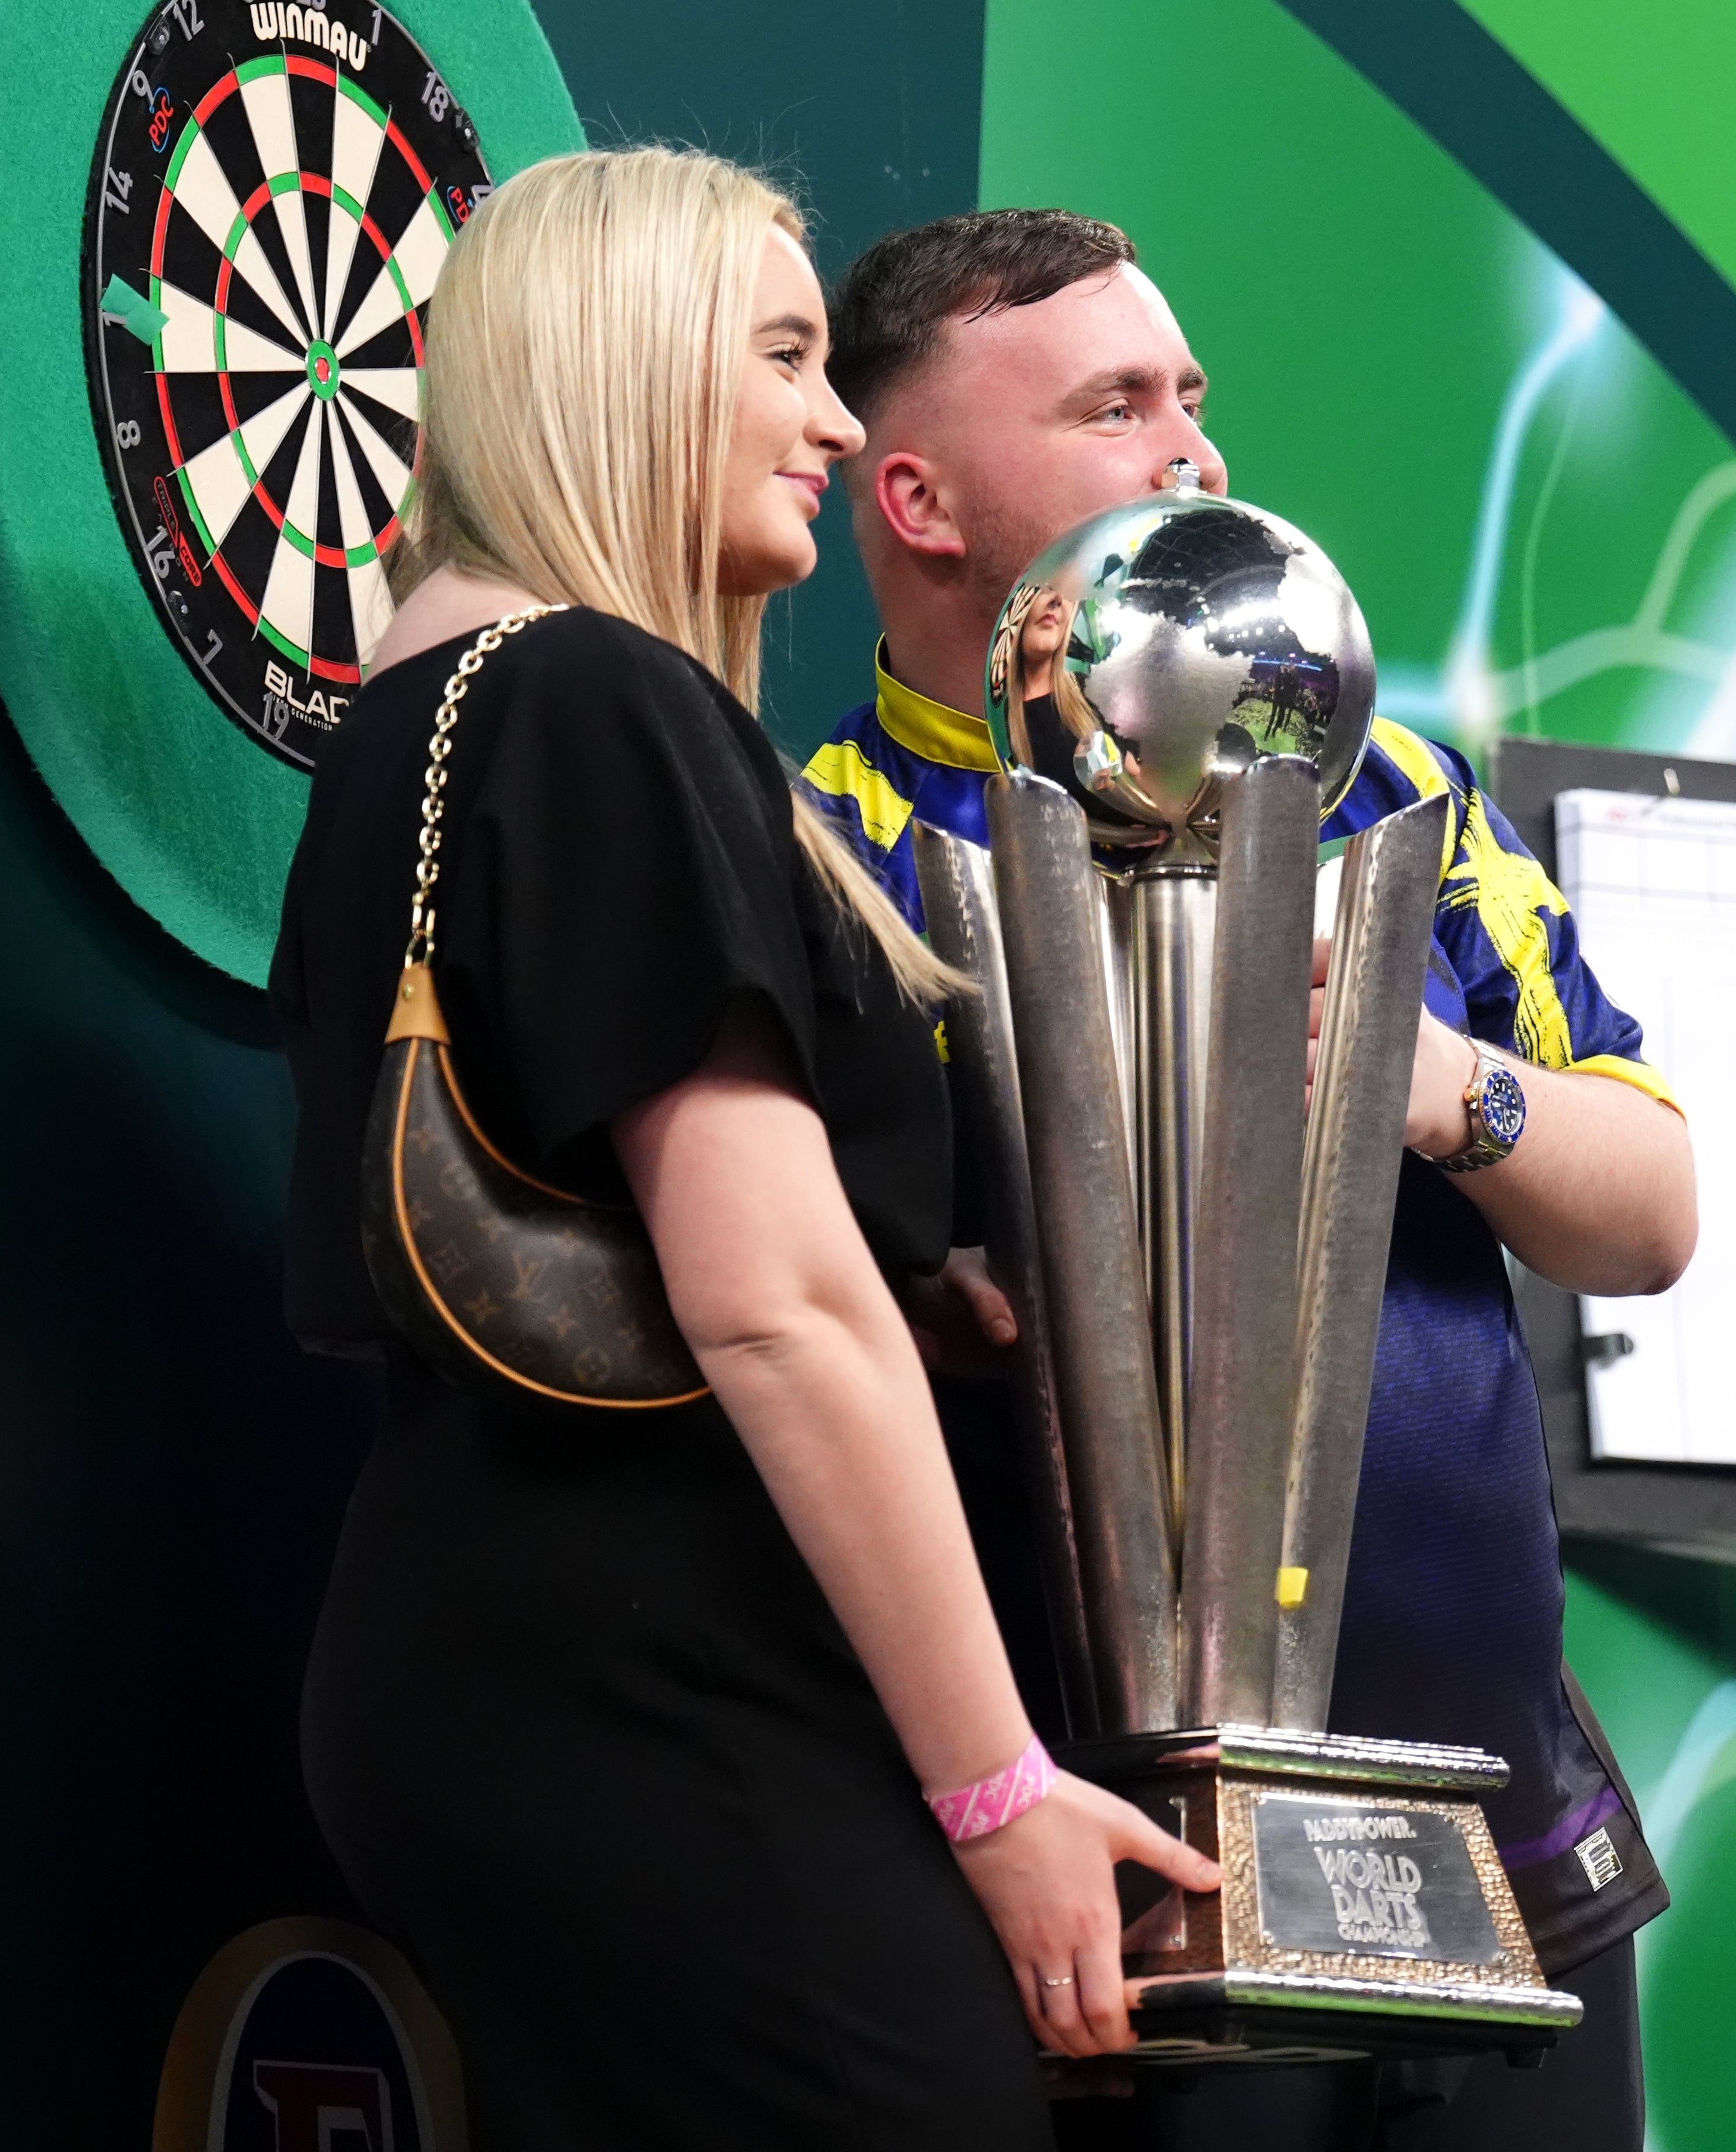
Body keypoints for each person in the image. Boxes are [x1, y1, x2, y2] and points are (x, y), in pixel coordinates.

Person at [270, 154, 1216, 2148]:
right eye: (782, 356)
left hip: (501, 1673)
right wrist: (998, 1794)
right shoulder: (604, 700)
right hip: (666, 1687)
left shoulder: (423, 717)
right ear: (610, 364)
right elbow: (771, 1309)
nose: (836, 418)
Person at [801, 209, 1698, 2150]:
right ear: (919, 496)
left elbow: (1654, 1212)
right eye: (1114, 407)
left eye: (1192, 401)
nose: (1191, 459)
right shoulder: (824, 846)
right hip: (1108, 1880)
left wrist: (1448, 1089)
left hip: (1496, 1846)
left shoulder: (1393, 792)